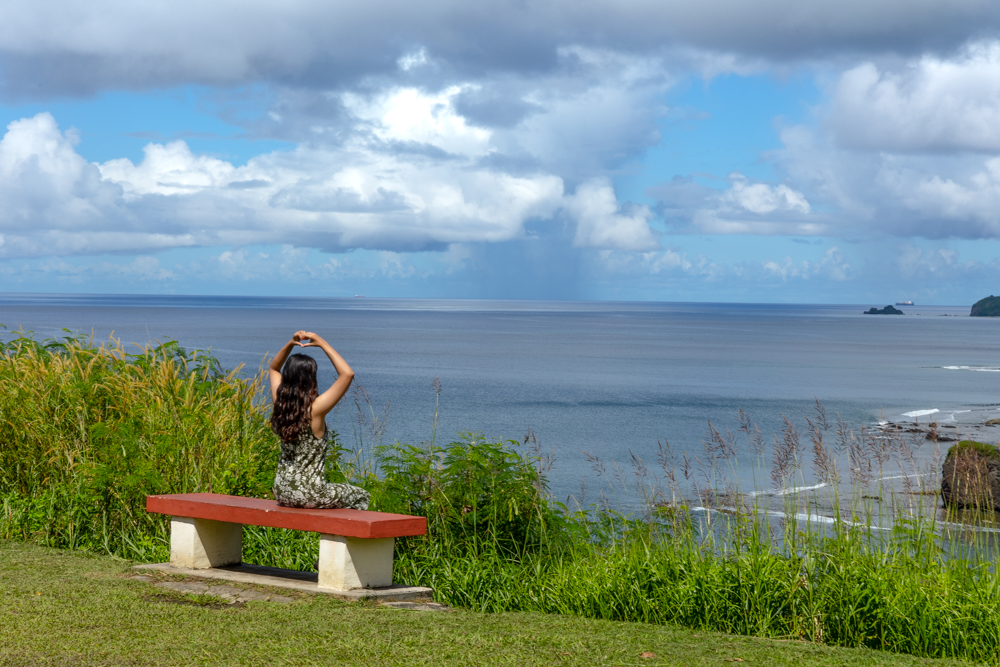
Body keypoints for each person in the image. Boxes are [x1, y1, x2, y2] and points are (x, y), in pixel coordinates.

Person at [268, 330, 370, 510]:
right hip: (310, 493)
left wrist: (291, 342)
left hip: (281, 490)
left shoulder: (281, 404)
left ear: (288, 377)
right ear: (310, 378)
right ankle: (342, 534)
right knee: (360, 495)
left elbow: (273, 368)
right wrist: (322, 343)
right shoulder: (315, 409)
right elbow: (347, 374)